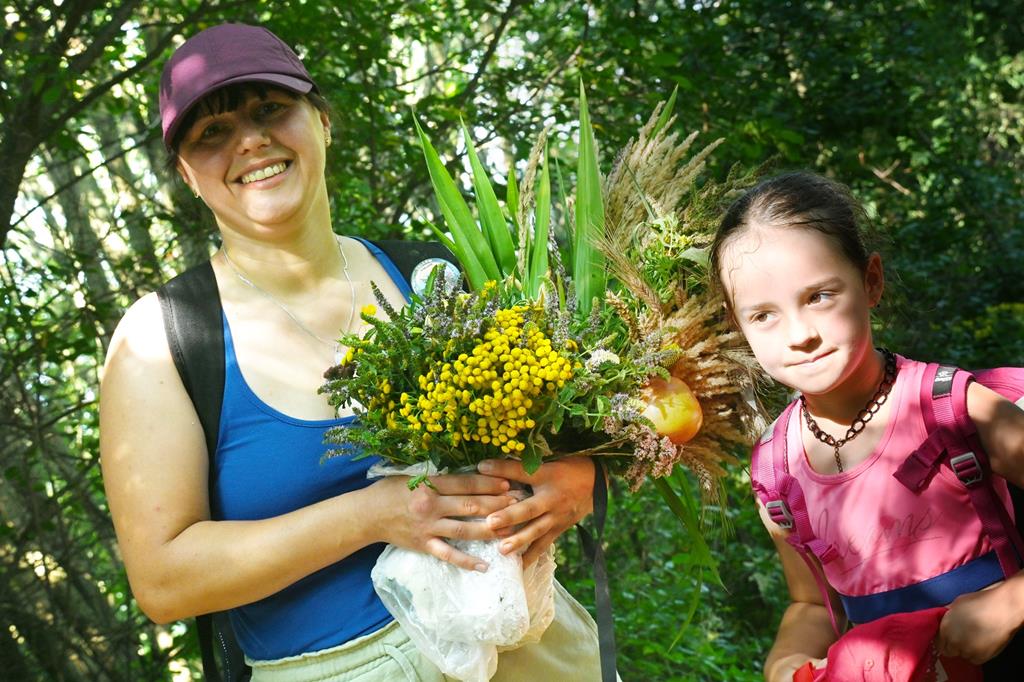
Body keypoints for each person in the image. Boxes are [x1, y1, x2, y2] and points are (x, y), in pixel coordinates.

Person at [100, 22, 602, 681]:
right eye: (212, 132)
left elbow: (575, 422)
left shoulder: (432, 275)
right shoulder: (163, 339)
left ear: (323, 121)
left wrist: (580, 478)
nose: (249, 141)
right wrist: (373, 515)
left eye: (269, 108)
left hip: (530, 646)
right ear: (187, 174)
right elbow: (163, 583)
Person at [708, 171, 1024, 681]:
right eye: (763, 315)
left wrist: (1011, 602)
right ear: (736, 323)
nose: (800, 334)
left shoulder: (954, 411)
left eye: (819, 296)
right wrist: (785, 663)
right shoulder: (777, 471)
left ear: (870, 281)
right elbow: (812, 604)